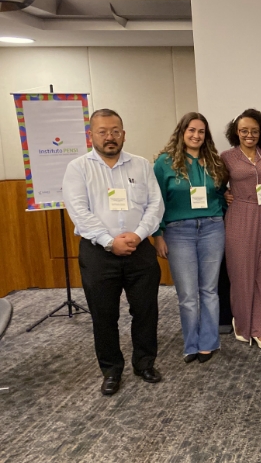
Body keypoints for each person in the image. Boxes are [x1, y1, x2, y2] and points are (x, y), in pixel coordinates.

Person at [62, 109, 163, 396]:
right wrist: (109, 241)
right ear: (91, 134)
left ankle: (144, 363)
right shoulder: (78, 168)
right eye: (103, 131)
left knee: (146, 311)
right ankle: (111, 370)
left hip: (139, 248)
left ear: (124, 133)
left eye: (115, 131)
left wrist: (138, 234)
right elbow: (79, 212)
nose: (110, 137)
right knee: (104, 315)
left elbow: (155, 205)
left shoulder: (141, 165)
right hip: (98, 252)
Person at [153, 112, 228, 363]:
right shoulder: (164, 163)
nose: (196, 135)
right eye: (192, 130)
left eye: (201, 131)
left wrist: (225, 204)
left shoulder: (214, 162)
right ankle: (191, 344)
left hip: (212, 228)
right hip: (178, 232)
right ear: (182, 132)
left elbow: (220, 195)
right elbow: (156, 201)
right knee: (187, 294)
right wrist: (158, 234)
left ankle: (208, 342)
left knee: (209, 290)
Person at [221, 109, 261, 349]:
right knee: (242, 275)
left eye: (254, 131)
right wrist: (223, 194)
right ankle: (243, 324)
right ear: (236, 132)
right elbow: (214, 185)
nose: (249, 134)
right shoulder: (227, 156)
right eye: (244, 130)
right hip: (241, 215)